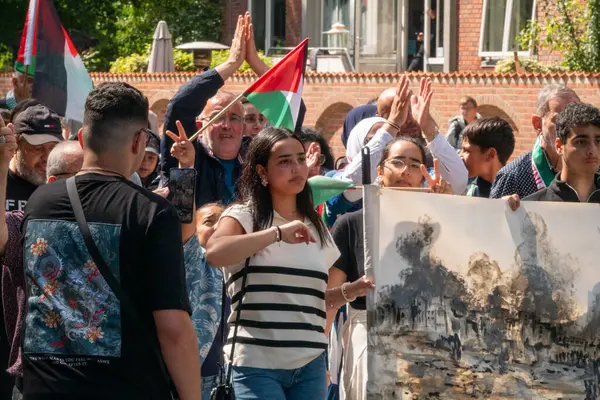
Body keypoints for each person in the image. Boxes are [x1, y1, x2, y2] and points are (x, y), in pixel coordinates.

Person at [20, 82, 200, 399]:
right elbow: (173, 329)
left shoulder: (39, 202)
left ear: (81, 137)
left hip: (46, 387)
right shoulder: (150, 212)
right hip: (125, 388)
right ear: (138, 142)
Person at [206, 127, 373, 400]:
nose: (296, 167)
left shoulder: (316, 225)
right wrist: (276, 234)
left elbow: (311, 300)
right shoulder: (244, 215)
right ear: (261, 172)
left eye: (299, 158)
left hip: (310, 365)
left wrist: (350, 291)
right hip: (256, 364)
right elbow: (214, 252)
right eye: (284, 161)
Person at [328, 136, 452, 400]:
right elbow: (329, 300)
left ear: (424, 174)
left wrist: (449, 207)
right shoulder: (350, 225)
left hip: (426, 342)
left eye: (415, 164)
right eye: (397, 162)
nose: (405, 170)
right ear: (380, 171)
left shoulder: (441, 226)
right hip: (368, 336)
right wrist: (353, 290)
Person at [160, 13, 305, 207]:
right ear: (200, 124)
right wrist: (232, 63)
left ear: (244, 125)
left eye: (235, 118)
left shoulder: (258, 157)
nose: (227, 125)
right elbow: (180, 105)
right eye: (217, 117)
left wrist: (254, 61)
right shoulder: (185, 153)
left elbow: (293, 108)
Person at [0, 140, 83, 400]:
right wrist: (3, 163)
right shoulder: (26, 226)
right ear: (54, 182)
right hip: (38, 381)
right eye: (81, 179)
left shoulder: (113, 223)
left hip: (97, 380)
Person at [490, 84, 580, 199]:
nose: (570, 128)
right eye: (559, 120)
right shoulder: (512, 177)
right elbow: (494, 216)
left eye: (577, 121)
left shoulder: (594, 173)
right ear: (537, 124)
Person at [506, 103, 600, 208]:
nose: (592, 150)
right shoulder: (531, 209)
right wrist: (502, 212)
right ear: (559, 146)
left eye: (598, 141)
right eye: (581, 142)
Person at [6, 104, 63, 211]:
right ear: (16, 143)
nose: (47, 157)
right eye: (38, 147)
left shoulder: (64, 187)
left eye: (53, 147)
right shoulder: (2, 182)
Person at [461, 117, 515, 198]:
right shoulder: (469, 192)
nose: (460, 156)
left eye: (466, 151)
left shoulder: (518, 190)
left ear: (490, 155)